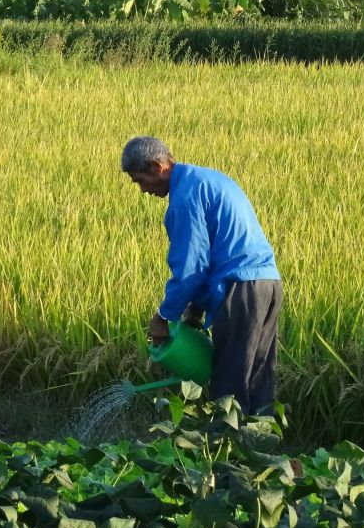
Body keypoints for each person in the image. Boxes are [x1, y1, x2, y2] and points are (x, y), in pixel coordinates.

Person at [121, 135, 283, 413]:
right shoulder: (207, 180)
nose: (143, 191)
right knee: (257, 379)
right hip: (267, 283)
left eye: (140, 181)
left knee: (229, 386)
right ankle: (262, 449)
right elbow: (212, 255)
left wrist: (164, 316)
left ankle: (227, 452)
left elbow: (190, 268)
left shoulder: (185, 198)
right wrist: (195, 310)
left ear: (156, 167)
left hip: (239, 290)